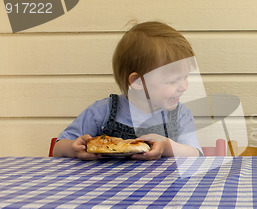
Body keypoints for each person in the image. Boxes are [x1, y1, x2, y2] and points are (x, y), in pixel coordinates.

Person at [53, 21, 202, 160]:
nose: (184, 86)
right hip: (107, 186)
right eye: (172, 81)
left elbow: (195, 154)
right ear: (138, 82)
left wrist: (167, 146)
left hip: (165, 187)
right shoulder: (102, 111)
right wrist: (73, 148)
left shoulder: (179, 115)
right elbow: (58, 148)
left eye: (185, 77)